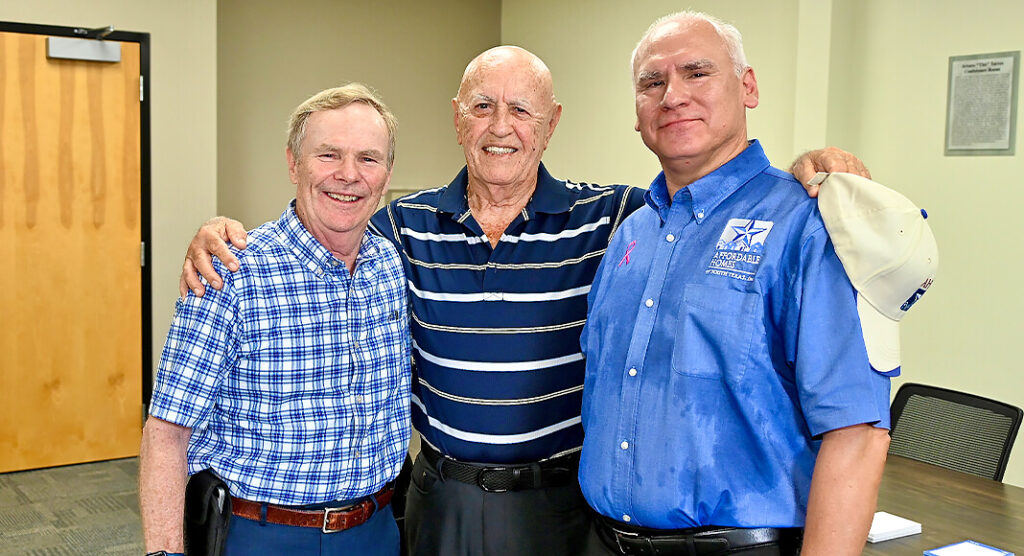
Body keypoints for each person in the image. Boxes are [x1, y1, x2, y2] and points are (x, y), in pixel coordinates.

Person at [179, 48, 873, 556]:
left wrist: (808, 170)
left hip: (560, 505)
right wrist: (223, 235)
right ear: (458, 119)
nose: (500, 126)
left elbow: (700, 207)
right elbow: (325, 226)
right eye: (482, 106)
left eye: (521, 109)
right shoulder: (402, 226)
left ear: (551, 123)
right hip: (439, 500)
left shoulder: (618, 220)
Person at [578, 12, 916, 555]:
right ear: (637, 113)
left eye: (697, 73)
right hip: (603, 540)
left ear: (748, 88)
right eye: (652, 82)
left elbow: (857, 434)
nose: (673, 96)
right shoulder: (630, 235)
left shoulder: (808, 226)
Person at [139, 84, 411, 556]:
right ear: (293, 164)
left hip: (377, 531)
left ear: (387, 175)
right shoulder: (231, 271)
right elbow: (166, 433)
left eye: (368, 159)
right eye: (328, 155)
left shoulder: (391, 264)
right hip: (262, 535)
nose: (349, 175)